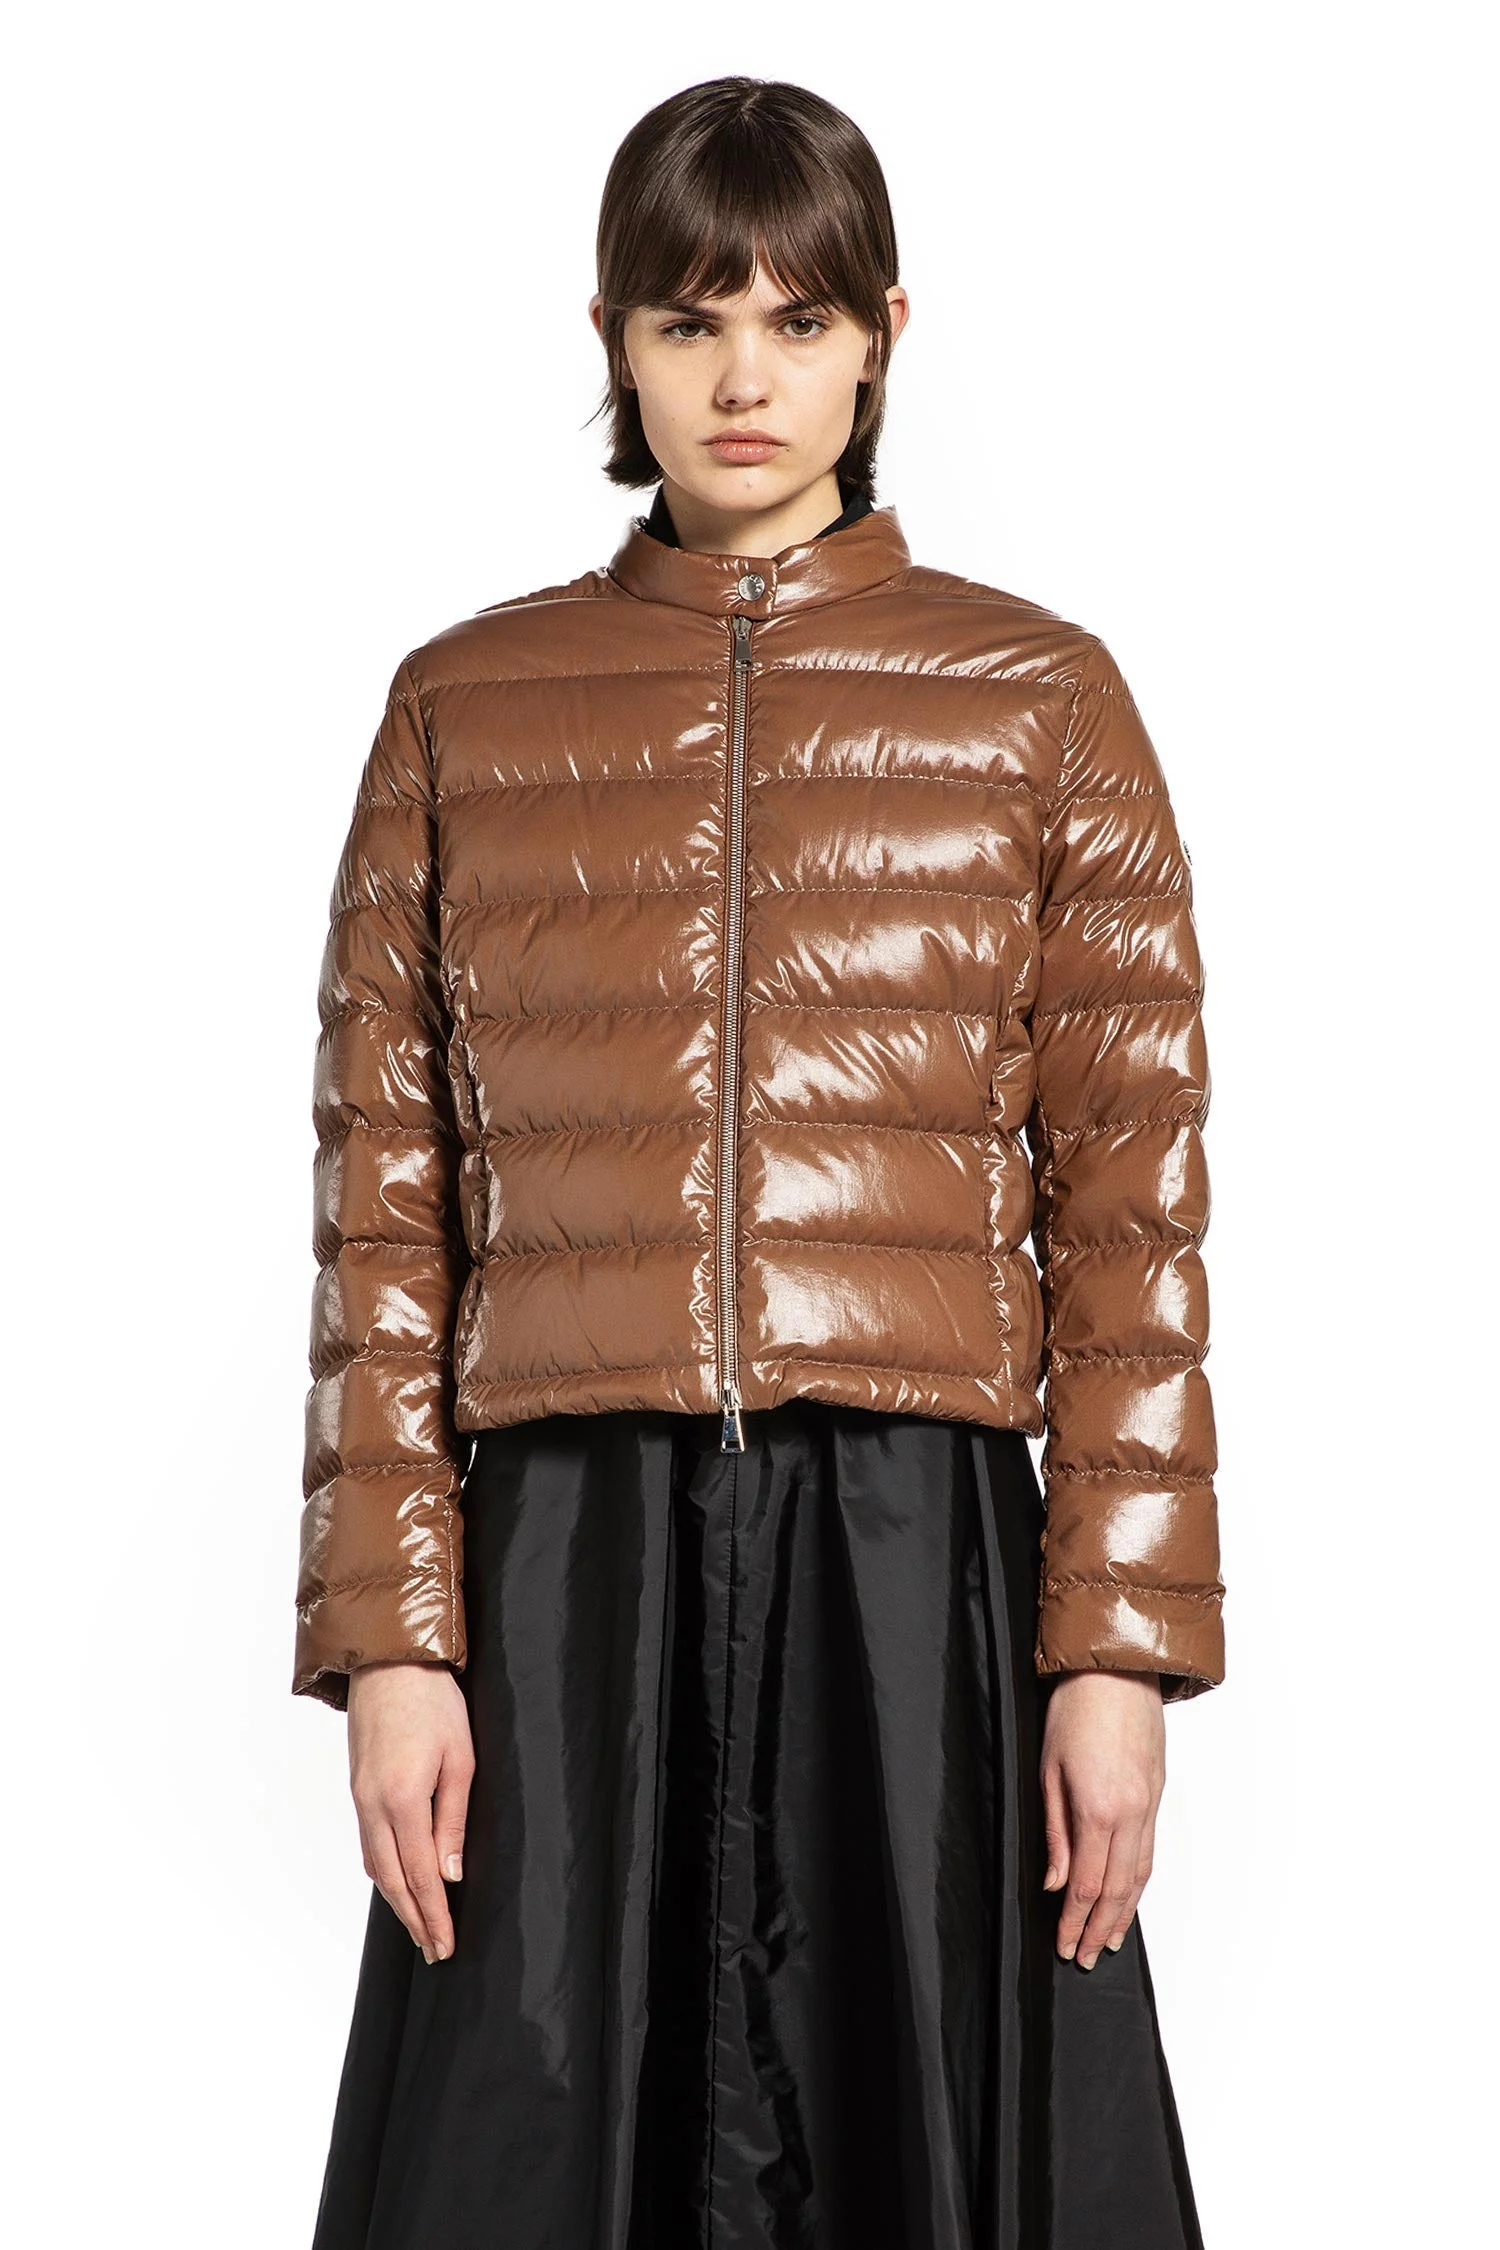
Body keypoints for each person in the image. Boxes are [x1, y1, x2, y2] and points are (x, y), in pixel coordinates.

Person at [293, 74, 1225, 2250]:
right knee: (524, 2154)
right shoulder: (465, 710)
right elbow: (384, 1215)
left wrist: (1113, 1650)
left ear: (885, 334)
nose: (742, 378)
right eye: (690, 320)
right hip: (564, 1551)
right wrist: (396, 1643)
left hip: (915, 1542)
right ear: (611, 340)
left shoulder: (1041, 703)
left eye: (797, 321)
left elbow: (1132, 1212)